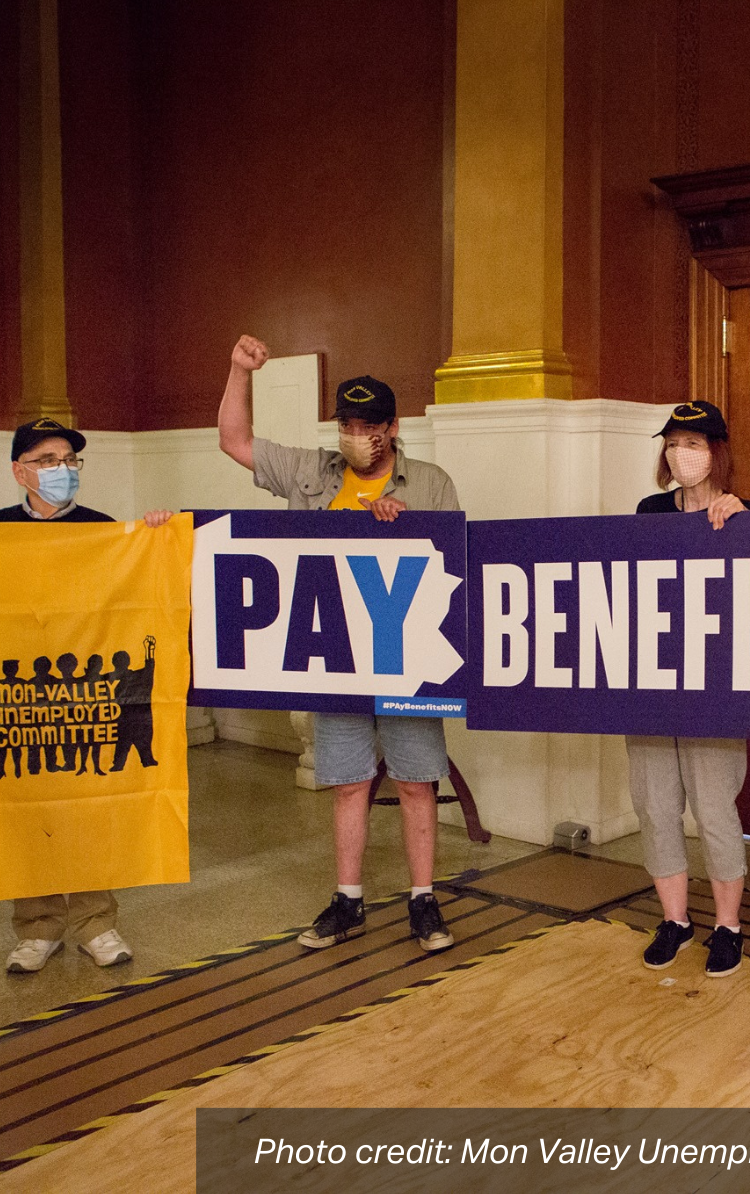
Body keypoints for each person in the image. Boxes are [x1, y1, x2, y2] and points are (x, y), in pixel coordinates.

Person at [218, 335, 460, 953]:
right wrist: (240, 371)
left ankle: (423, 900)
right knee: (349, 782)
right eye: (348, 425)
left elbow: (460, 566)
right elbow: (234, 442)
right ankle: (347, 899)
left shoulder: (430, 483)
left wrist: (409, 527)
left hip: (405, 657)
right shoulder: (310, 471)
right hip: (334, 657)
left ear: (393, 426)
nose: (358, 436)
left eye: (369, 426)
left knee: (415, 780)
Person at [3, 417, 173, 974]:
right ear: (19, 470)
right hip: (23, 701)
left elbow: (137, 598)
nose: (64, 470)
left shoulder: (105, 531)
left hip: (89, 699)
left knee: (92, 802)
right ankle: (36, 927)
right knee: (30, 808)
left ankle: (97, 923)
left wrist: (153, 536)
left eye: (71, 461)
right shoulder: (1, 531)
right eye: (50, 460)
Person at [628, 400, 750, 978]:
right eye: (675, 442)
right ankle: (676, 921)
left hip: (717, 688)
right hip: (654, 683)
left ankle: (727, 926)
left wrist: (744, 526)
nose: (683, 453)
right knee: (655, 807)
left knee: (713, 808)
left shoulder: (747, 512)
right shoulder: (649, 510)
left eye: (696, 443)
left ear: (718, 452)